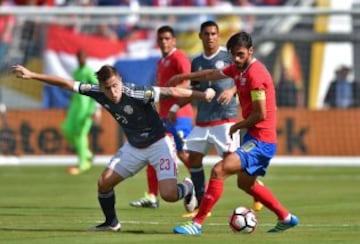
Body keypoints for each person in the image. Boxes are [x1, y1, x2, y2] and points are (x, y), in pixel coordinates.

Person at [12, 63, 216, 232]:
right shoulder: (97, 92)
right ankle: (112, 223)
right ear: (101, 86)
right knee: (103, 183)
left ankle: (187, 187)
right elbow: (66, 83)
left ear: (120, 81)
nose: (113, 91)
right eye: (108, 87)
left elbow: (170, 90)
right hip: (134, 147)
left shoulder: (137, 92)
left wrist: (201, 95)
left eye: (115, 85)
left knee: (169, 195)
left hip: (159, 143)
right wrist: (32, 75)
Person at [169, 31, 299, 235]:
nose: (236, 59)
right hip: (255, 139)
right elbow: (211, 74)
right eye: (233, 56)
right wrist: (184, 76)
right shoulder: (239, 69)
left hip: (261, 141)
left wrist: (237, 126)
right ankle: (286, 217)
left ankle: (197, 223)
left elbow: (261, 113)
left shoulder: (256, 74)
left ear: (251, 51)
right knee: (245, 183)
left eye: (240, 54)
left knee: (219, 170)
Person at [167, 21, 263, 218]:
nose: (210, 37)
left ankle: (256, 187)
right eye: (207, 34)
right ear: (200, 36)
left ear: (218, 36)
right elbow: (195, 90)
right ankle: (200, 204)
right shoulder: (196, 62)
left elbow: (244, 77)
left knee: (232, 163)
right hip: (203, 120)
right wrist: (177, 106)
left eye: (213, 33)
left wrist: (231, 90)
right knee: (193, 158)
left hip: (225, 119)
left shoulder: (228, 56)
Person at [129, 25, 194, 209]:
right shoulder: (161, 62)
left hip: (180, 115)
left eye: (167, 38)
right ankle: (151, 196)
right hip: (164, 116)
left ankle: (199, 186)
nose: (164, 42)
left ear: (173, 40)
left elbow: (187, 82)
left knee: (183, 153)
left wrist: (174, 104)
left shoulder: (179, 57)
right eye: (161, 39)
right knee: (152, 152)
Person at [61, 49, 100, 175]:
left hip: (86, 108)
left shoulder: (89, 72)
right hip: (75, 108)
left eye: (83, 57)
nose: (81, 59)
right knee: (67, 129)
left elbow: (98, 90)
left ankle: (83, 164)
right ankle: (87, 154)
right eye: (79, 57)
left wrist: (96, 109)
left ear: (86, 58)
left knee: (80, 134)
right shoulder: (77, 72)